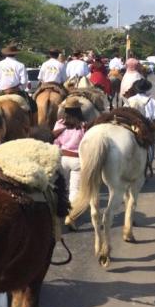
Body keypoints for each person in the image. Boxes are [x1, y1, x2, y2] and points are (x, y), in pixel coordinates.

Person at [52, 96, 86, 228]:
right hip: (77, 160)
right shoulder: (83, 125)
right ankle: (70, 216)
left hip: (62, 159)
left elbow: (56, 143)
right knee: (74, 190)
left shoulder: (59, 123)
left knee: (62, 188)